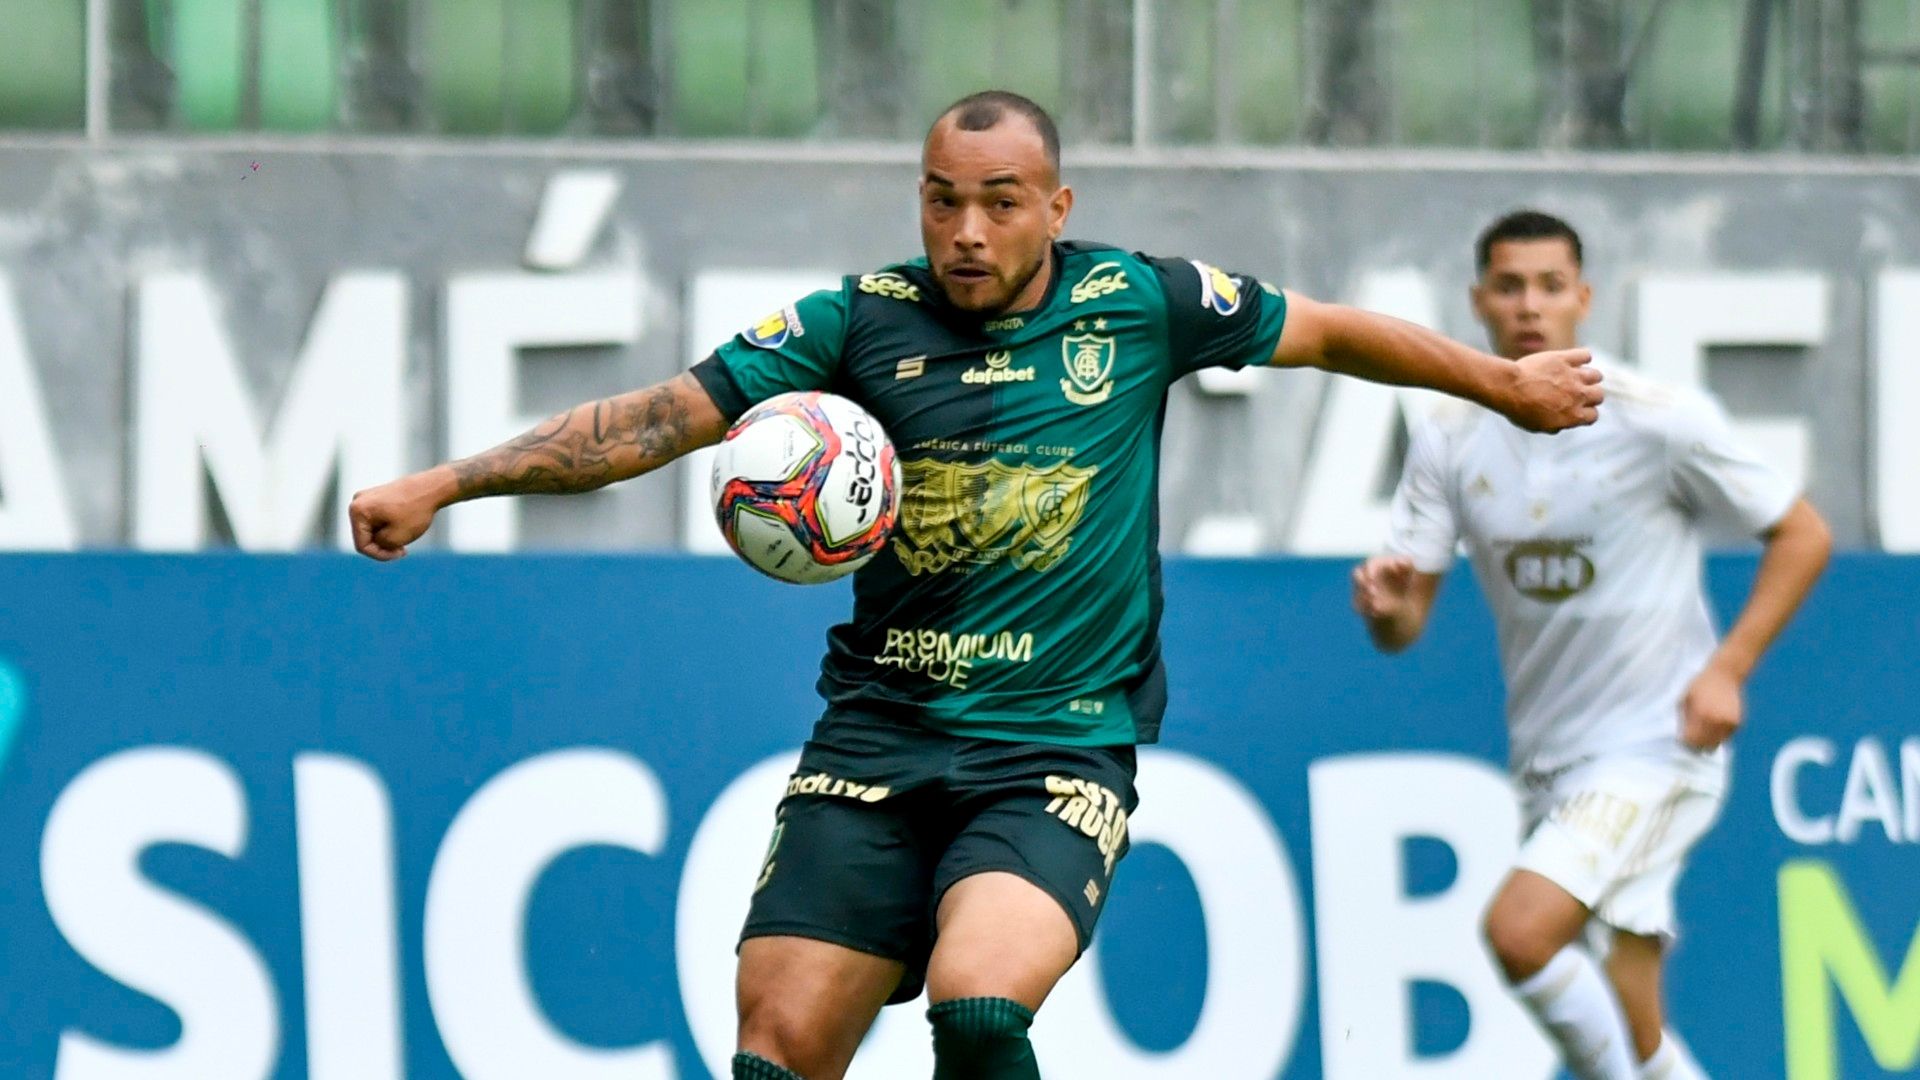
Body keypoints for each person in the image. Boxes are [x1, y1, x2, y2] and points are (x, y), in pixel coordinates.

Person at [350, 95, 1603, 1080]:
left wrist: (1506, 385)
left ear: (1055, 206)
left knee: (984, 1007)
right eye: (944, 201)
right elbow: (658, 420)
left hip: (1051, 751)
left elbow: (1330, 330)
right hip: (874, 744)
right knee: (775, 1052)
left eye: (1000, 204)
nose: (966, 232)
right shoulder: (856, 320)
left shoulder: (1142, 303)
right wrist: (447, 484)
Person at [1352, 210, 1831, 1080]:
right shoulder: (1448, 437)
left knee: (1520, 932)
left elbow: (1803, 534)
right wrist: (1386, 607)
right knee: (1634, 1015)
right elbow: (1405, 624)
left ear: (1583, 297)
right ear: (1480, 301)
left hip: (1660, 743)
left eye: (1548, 285)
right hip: (1549, 756)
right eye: (1509, 286)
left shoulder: (1658, 420)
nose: (1529, 305)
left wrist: (1727, 669)